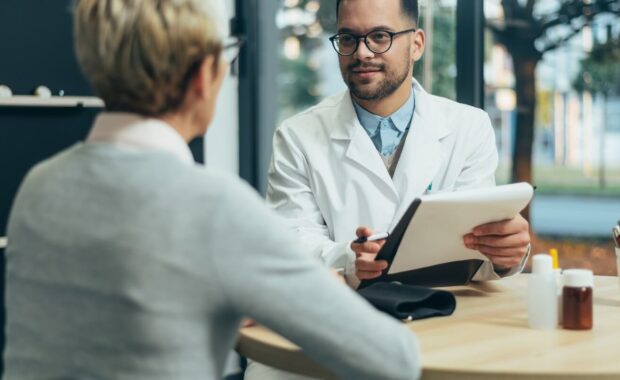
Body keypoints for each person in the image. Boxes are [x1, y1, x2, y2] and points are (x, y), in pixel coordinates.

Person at [2, 1, 422, 379]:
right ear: (204, 75)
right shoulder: (214, 209)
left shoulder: (38, 188)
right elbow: (394, 359)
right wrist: (325, 288)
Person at [266, 0, 531, 289]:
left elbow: (473, 252)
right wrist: (351, 259)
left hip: (447, 316)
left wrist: (503, 254)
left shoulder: (469, 128)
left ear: (416, 44)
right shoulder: (296, 136)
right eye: (348, 38)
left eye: (380, 36)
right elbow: (290, 245)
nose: (362, 52)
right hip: (346, 317)